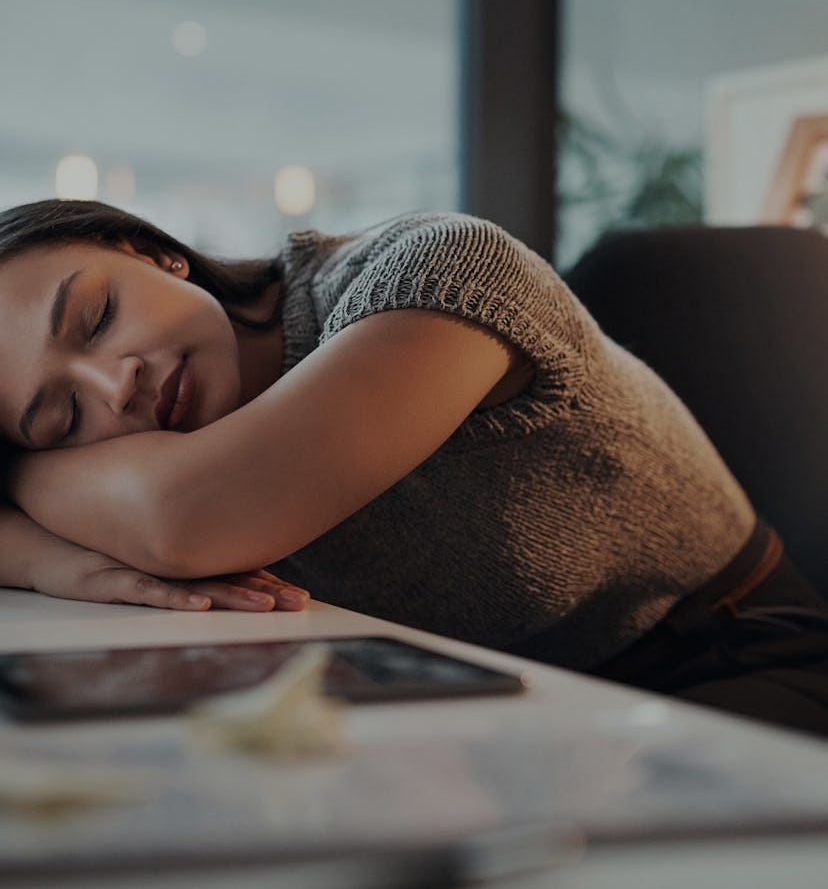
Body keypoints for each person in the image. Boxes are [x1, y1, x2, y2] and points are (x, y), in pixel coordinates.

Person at [0, 198, 826, 736]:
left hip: (725, 660)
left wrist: (21, 479)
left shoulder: (440, 272)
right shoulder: (137, 450)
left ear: (151, 250)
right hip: (505, 700)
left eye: (97, 316)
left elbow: (188, 519)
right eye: (62, 415)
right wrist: (48, 559)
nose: (117, 384)